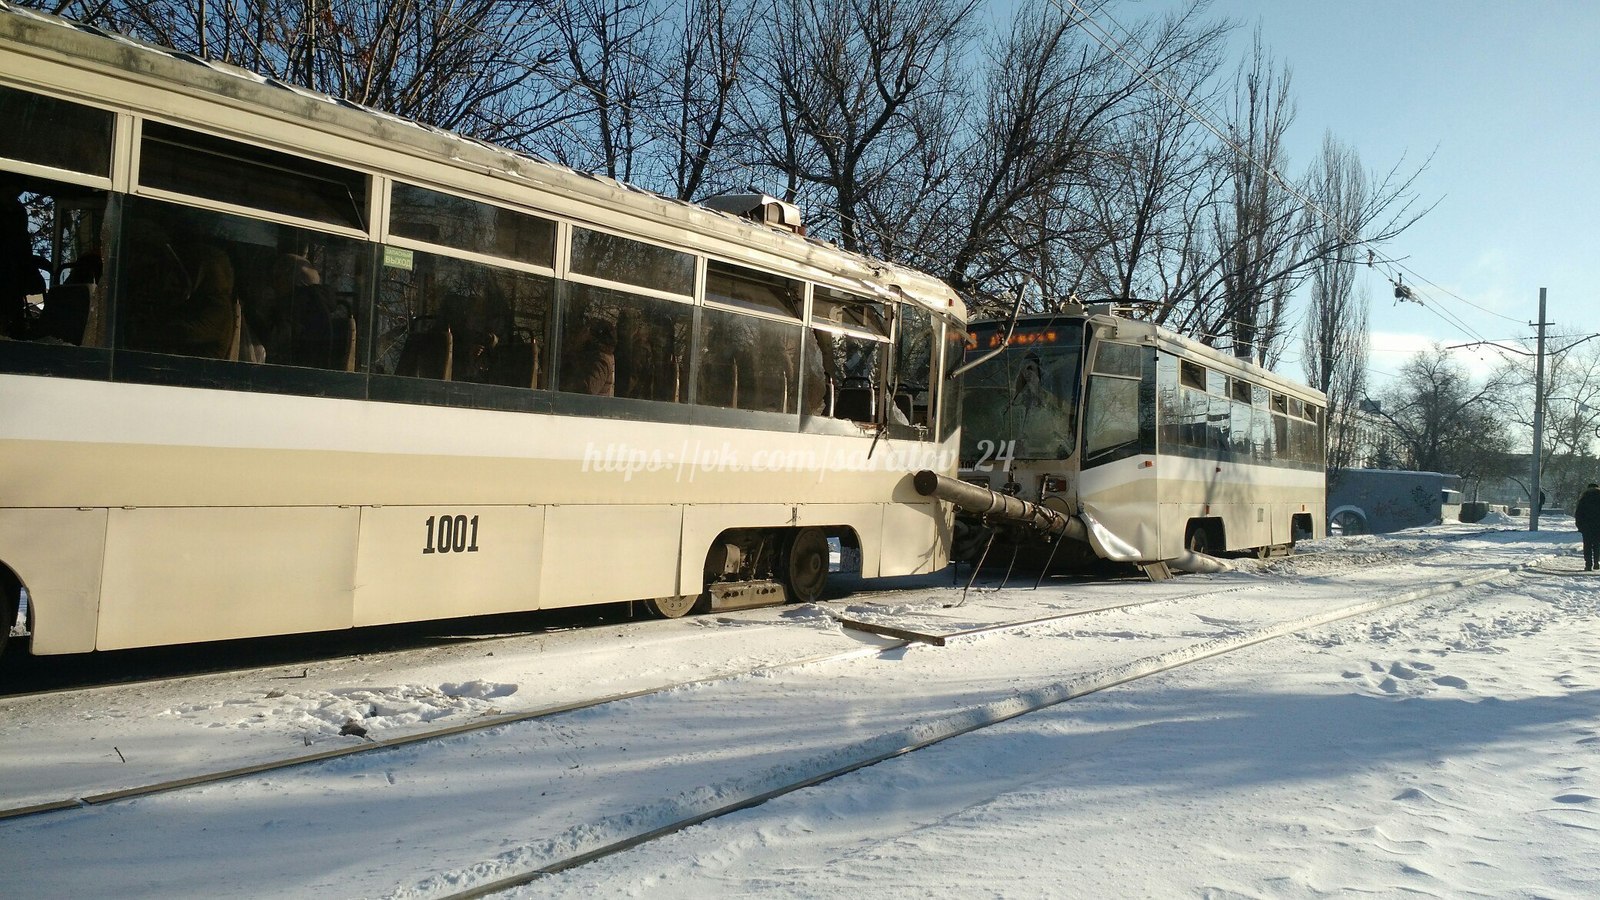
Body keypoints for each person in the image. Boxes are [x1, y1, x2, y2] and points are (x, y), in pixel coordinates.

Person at [1576, 483, 1600, 571]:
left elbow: (1578, 513)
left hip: (1587, 526)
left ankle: (1588, 564)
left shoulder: (1584, 498)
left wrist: (1579, 526)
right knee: (1597, 544)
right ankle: (1597, 562)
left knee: (1587, 545)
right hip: (1598, 526)